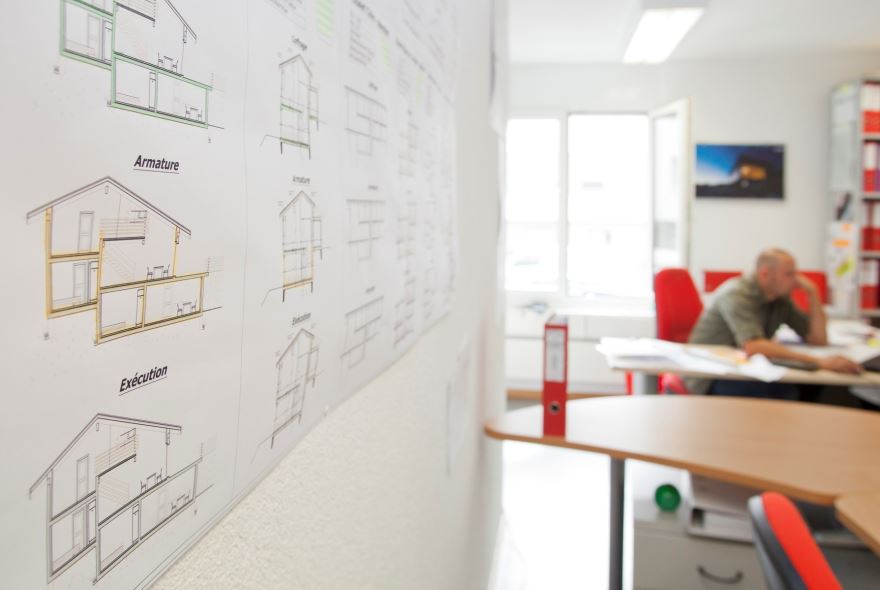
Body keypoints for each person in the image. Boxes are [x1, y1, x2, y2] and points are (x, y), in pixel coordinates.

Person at [685, 248, 861, 399]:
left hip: (744, 368)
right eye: (789, 274)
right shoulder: (737, 294)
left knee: (812, 388)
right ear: (765, 274)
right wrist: (820, 362)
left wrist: (813, 292)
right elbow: (754, 346)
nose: (796, 280)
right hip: (712, 376)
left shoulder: (779, 299)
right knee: (787, 391)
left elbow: (818, 339)